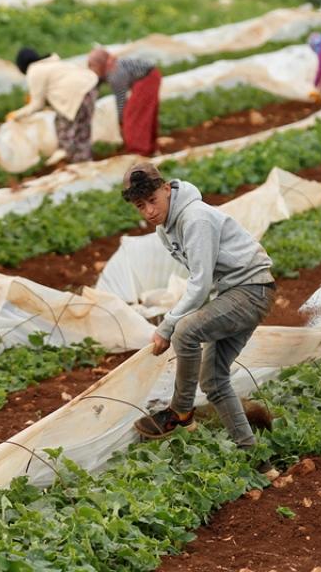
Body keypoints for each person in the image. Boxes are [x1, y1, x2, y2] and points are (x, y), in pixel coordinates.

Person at [124, 162, 276, 449]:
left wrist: (167, 327)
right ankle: (254, 458)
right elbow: (202, 283)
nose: (149, 212)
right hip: (232, 294)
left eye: (153, 201)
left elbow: (201, 282)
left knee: (184, 332)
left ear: (167, 189)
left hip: (251, 289)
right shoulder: (165, 229)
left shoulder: (195, 219)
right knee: (214, 382)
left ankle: (180, 410)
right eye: (141, 206)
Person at [8, 47, 100, 163]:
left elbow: (37, 104)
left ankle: (73, 162)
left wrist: (16, 114)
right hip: (90, 88)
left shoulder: (34, 70)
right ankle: (85, 162)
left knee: (65, 129)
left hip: (76, 95)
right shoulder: (50, 63)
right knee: (82, 129)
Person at [88, 48, 161, 156]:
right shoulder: (111, 67)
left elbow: (121, 99)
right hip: (149, 76)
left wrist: (121, 120)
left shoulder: (115, 75)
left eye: (94, 67)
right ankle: (150, 147)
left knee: (135, 116)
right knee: (144, 113)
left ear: (101, 64)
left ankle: (139, 151)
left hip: (147, 79)